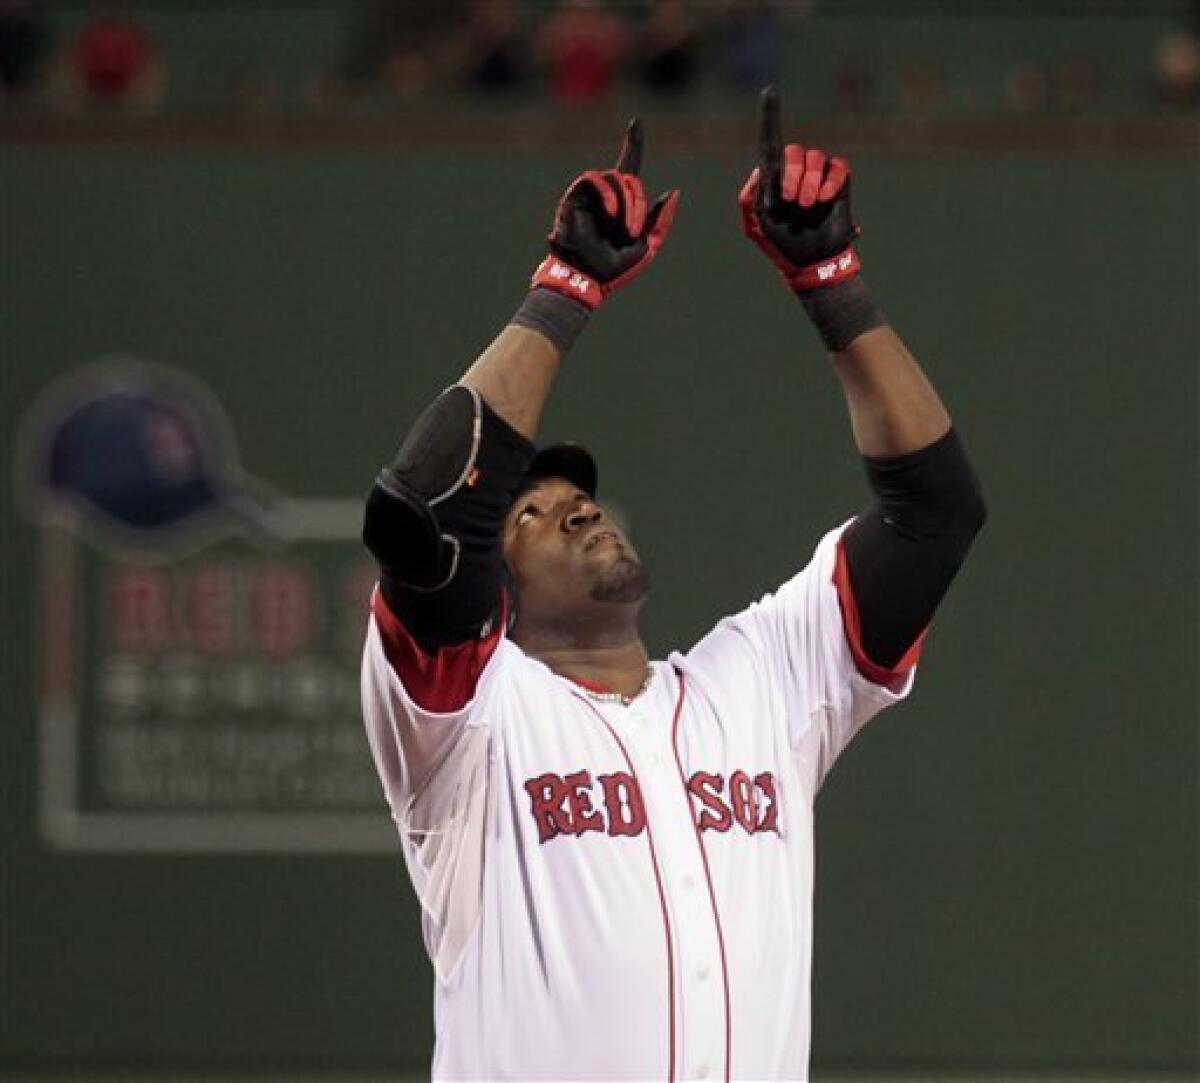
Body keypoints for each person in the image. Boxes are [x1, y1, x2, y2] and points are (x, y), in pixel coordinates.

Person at [360, 88, 985, 1081]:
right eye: (530, 512)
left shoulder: (762, 683)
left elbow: (935, 511)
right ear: (493, 594)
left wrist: (835, 285)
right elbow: (427, 506)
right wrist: (562, 291)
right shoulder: (470, 721)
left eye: (579, 497)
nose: (573, 509)